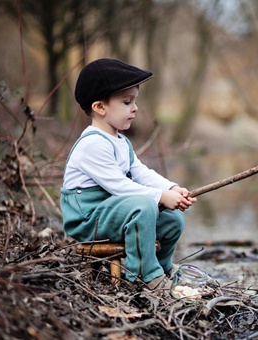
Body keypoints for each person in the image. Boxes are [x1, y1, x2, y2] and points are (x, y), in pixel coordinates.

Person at [60, 58, 196, 290]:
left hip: (112, 211)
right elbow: (120, 186)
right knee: (144, 206)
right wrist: (160, 197)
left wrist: (171, 188)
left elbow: (140, 172)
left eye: (135, 101)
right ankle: (145, 274)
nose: (134, 108)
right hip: (89, 219)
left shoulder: (120, 141)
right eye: (126, 102)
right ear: (100, 107)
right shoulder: (92, 144)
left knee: (173, 219)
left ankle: (162, 268)